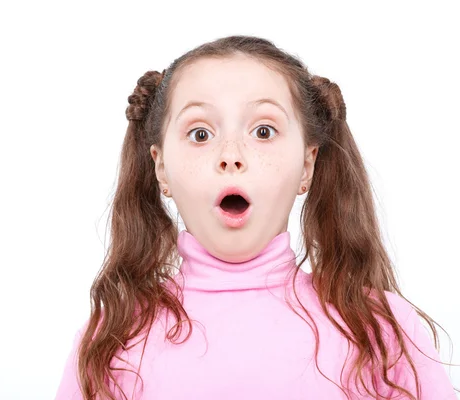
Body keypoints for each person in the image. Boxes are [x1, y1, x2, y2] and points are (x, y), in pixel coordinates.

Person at [54, 35, 458, 399]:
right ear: (161, 168)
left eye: (263, 131)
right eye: (200, 133)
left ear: (307, 165)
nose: (231, 156)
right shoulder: (110, 341)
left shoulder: (381, 330)